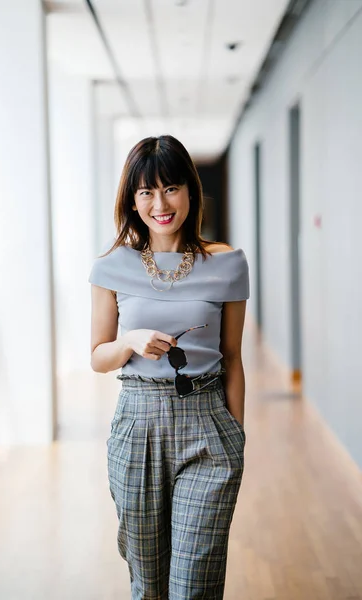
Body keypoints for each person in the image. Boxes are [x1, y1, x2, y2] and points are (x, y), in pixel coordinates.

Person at [88, 134, 250, 600]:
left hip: (208, 423)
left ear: (190, 191)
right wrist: (129, 341)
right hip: (137, 427)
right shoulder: (111, 266)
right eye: (146, 192)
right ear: (132, 200)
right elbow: (98, 356)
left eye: (171, 188)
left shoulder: (228, 264)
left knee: (194, 584)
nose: (160, 203)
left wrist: (236, 438)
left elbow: (234, 357)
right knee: (149, 583)